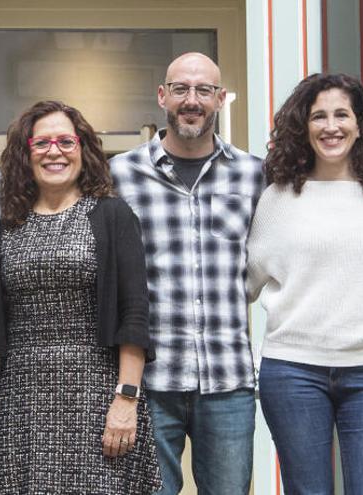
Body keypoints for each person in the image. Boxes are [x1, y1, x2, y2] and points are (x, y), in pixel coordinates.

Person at [0, 100, 161, 494]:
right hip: (19, 396)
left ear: (83, 149)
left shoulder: (112, 215)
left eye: (66, 140)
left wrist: (126, 398)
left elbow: (134, 312)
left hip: (98, 394)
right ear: (25, 153)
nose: (54, 151)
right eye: (42, 142)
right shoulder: (7, 222)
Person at [110, 52, 264, 494]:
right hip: (153, 380)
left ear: (220, 99)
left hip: (228, 379)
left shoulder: (253, 175)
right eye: (180, 89)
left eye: (203, 90)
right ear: (163, 96)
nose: (191, 100)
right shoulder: (120, 174)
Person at [247, 72, 363, 494]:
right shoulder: (277, 197)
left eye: (341, 115)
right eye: (318, 117)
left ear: (359, 124)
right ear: (303, 127)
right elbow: (247, 282)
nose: (330, 126)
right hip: (293, 370)